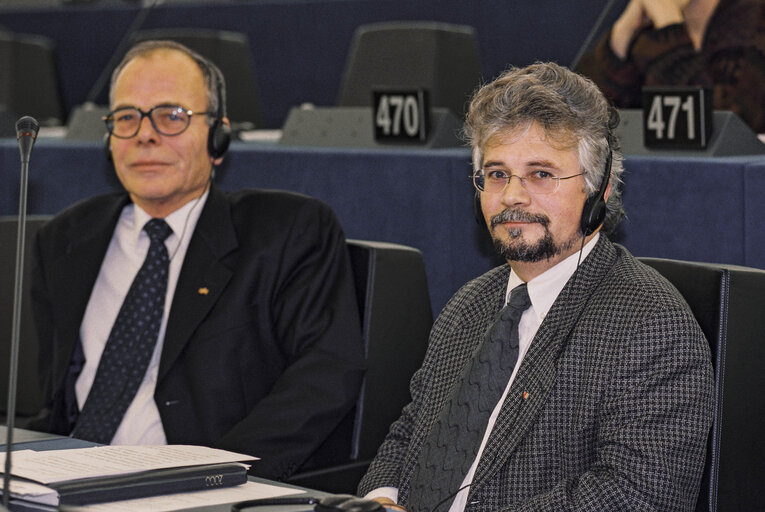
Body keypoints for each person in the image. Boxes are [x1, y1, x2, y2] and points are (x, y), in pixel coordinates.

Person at [358, 62, 714, 511]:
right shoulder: (468, 304)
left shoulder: (652, 326)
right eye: (497, 174)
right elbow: (411, 431)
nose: (512, 196)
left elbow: (636, 495)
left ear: (598, 191)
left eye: (541, 174)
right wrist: (380, 499)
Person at [29, 40, 365, 481]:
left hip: (199, 487)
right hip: (65, 477)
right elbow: (48, 401)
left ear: (217, 136)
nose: (145, 135)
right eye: (127, 118)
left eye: (171, 116)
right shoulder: (65, 239)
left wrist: (211, 477)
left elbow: (324, 379)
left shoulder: (286, 232)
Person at [576, 0, 765, 133]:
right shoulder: (648, 27)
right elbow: (578, 120)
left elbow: (732, 130)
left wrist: (669, 29)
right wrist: (623, 33)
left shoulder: (754, 18)